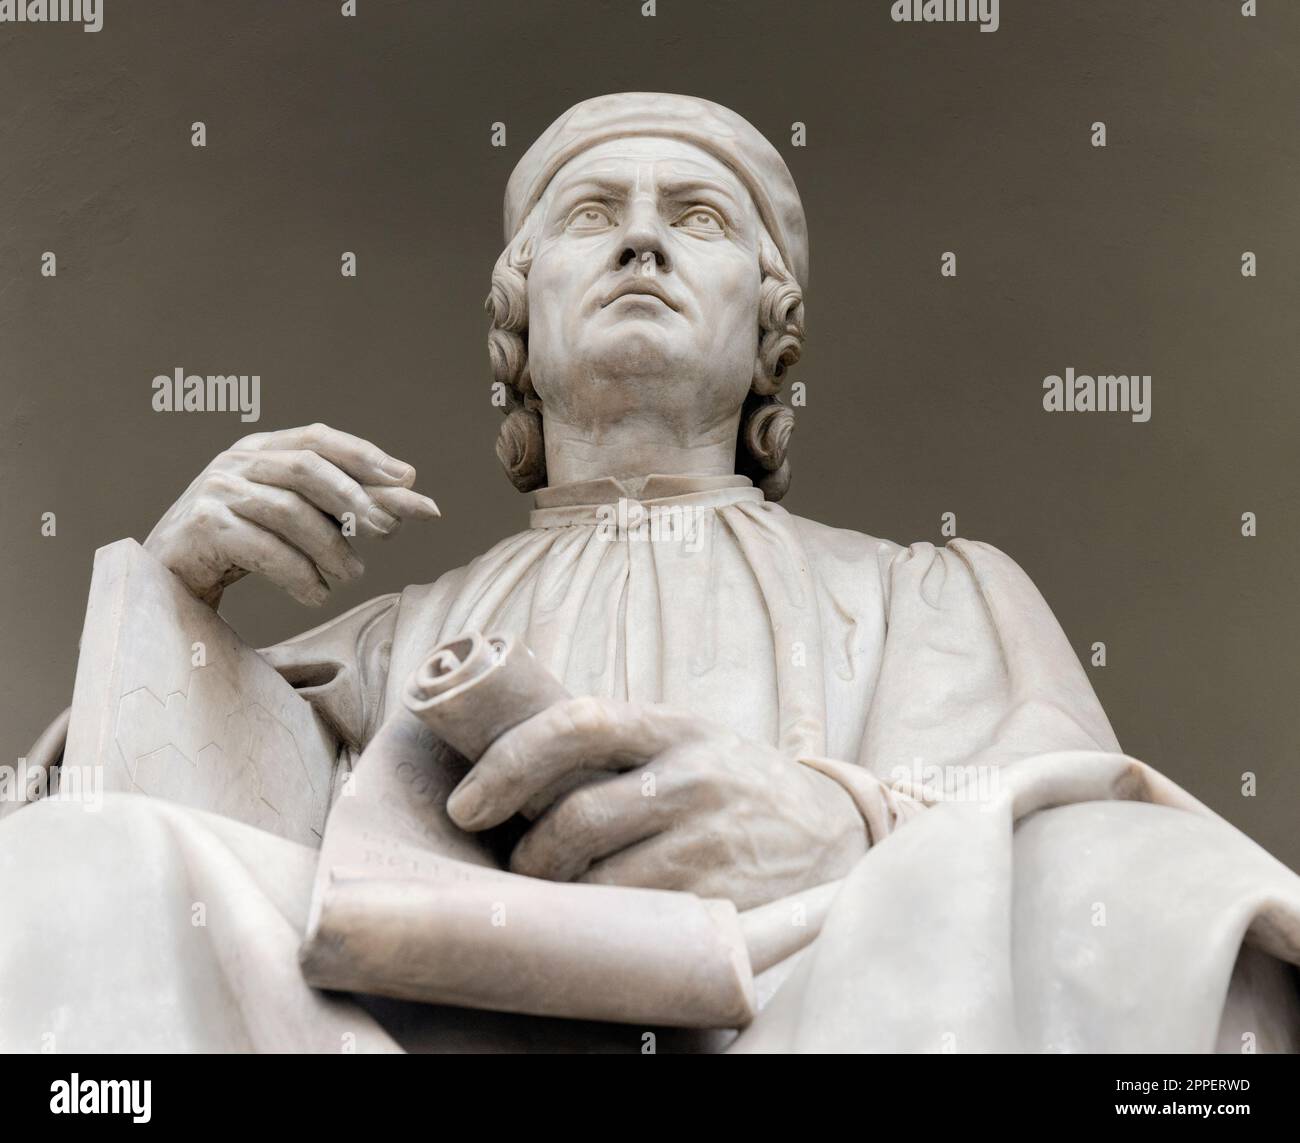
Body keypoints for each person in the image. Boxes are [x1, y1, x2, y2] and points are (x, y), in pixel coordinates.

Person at [4, 93, 1298, 1053]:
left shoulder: (927, 597)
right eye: (590, 218)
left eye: (696, 220)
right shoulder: (395, 640)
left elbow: (1067, 817)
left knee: (1161, 897)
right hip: (425, 1016)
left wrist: (845, 824)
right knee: (75, 864)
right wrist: (171, 601)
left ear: (766, 329)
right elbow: (161, 846)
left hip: (814, 983)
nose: (641, 244)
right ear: (524, 315)